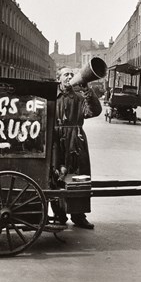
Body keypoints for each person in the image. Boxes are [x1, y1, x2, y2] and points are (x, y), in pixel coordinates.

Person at [51, 66, 102, 229]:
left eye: (72, 75)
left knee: (78, 177)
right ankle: (59, 215)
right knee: (55, 176)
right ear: (58, 78)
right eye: (66, 74)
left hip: (76, 140)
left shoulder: (80, 97)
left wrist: (87, 89)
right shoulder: (51, 96)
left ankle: (78, 215)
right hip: (55, 140)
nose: (69, 77)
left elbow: (94, 111)